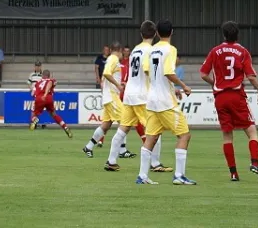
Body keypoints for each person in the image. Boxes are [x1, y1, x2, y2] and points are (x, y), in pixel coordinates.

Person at [200, 21, 258, 182]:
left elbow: (203, 74)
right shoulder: (242, 51)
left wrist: (216, 84)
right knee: (251, 132)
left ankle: (233, 173)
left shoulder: (215, 51)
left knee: (227, 136)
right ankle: (255, 163)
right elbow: (251, 76)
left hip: (220, 98)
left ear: (223, 35)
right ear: (237, 34)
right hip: (236, 96)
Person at [105, 21, 172, 173]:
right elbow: (149, 71)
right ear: (155, 34)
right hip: (142, 95)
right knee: (155, 129)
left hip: (129, 94)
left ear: (141, 34)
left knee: (123, 129)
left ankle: (111, 160)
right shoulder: (151, 50)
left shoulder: (135, 50)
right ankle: (155, 163)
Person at [136, 19, 195, 185]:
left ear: (157, 33)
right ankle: (178, 175)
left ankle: (142, 176)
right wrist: (183, 86)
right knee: (184, 135)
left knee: (151, 138)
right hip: (165, 102)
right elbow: (169, 72)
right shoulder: (170, 49)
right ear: (172, 32)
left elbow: (148, 71)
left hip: (152, 100)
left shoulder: (152, 49)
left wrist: (168, 86)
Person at [83, 42, 124, 158]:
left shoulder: (110, 59)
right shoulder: (114, 59)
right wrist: (118, 85)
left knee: (106, 125)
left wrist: (104, 85)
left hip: (108, 96)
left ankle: (88, 147)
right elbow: (106, 73)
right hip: (112, 97)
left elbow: (104, 76)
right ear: (119, 50)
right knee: (125, 121)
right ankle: (122, 150)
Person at [29, 70, 72, 138]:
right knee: (54, 114)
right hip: (49, 99)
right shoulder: (52, 80)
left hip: (40, 98)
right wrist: (46, 94)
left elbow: (33, 93)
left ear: (42, 75)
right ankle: (65, 127)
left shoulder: (38, 83)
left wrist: (43, 95)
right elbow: (50, 82)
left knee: (33, 114)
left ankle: (35, 119)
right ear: (49, 75)